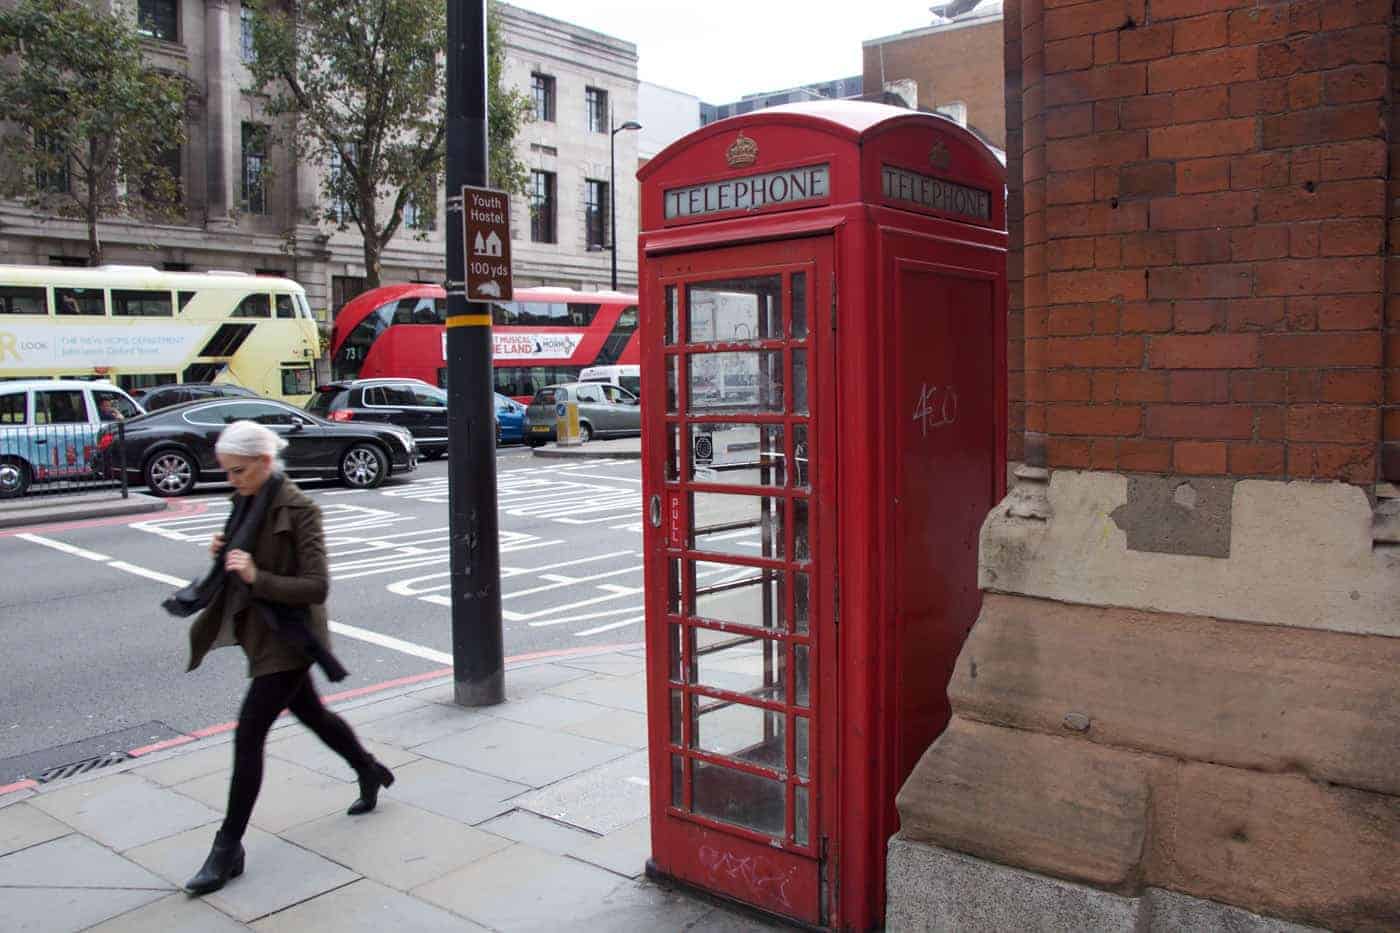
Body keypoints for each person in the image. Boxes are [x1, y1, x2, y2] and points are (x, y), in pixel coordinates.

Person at [180, 420, 393, 896]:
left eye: (237, 471)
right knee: (313, 715)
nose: (230, 480)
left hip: (291, 638)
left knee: (248, 734)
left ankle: (227, 847)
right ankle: (367, 769)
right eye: (227, 472)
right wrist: (225, 552)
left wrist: (256, 574)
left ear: (261, 462)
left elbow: (316, 587)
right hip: (263, 633)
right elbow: (240, 560)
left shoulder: (300, 508)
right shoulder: (246, 502)